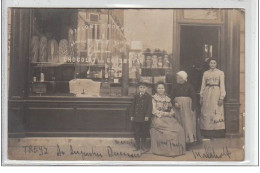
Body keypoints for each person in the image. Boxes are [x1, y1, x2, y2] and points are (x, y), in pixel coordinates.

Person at [150, 81, 185, 157]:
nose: (160, 89)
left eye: (162, 88)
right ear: (156, 89)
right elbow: (154, 111)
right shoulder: (154, 98)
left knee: (179, 129)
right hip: (158, 117)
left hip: (168, 118)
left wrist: (171, 113)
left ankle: (176, 151)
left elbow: (171, 109)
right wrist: (165, 114)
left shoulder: (167, 99)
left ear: (164, 89)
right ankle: (167, 152)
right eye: (159, 88)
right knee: (168, 132)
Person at [200, 58, 226, 138]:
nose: (212, 64)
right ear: (209, 64)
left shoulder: (220, 73)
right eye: (211, 63)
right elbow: (203, 85)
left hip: (216, 93)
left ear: (216, 64)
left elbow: (222, 85)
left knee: (216, 111)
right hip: (207, 93)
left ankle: (217, 133)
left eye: (214, 63)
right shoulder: (205, 73)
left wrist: (221, 97)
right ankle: (207, 132)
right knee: (207, 111)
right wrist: (201, 96)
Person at [171, 71, 197, 148]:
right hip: (177, 108)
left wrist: (193, 108)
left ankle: (187, 142)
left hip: (187, 108)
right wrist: (174, 103)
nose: (178, 79)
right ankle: (178, 141)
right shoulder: (175, 86)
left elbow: (194, 97)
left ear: (184, 78)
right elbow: (171, 97)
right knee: (178, 122)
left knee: (187, 124)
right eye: (177, 78)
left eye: (179, 78)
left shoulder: (189, 86)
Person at [130, 82, 152, 151]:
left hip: (144, 117)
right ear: (138, 88)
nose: (142, 89)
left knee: (144, 131)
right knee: (136, 131)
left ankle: (143, 145)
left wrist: (147, 116)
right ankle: (137, 145)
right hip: (136, 117)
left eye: (144, 87)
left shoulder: (148, 97)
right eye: (141, 87)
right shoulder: (136, 96)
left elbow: (149, 107)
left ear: (147, 89)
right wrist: (132, 115)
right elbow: (133, 106)